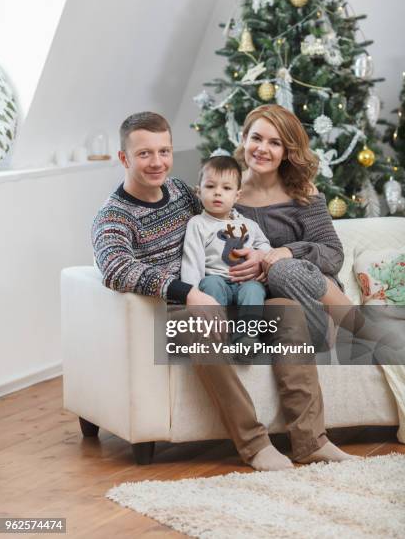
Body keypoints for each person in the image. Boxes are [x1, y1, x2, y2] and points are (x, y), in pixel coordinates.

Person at [92, 110, 353, 471]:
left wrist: (256, 263)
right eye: (144, 154)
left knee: (285, 310)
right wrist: (188, 292)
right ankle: (255, 445)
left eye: (164, 151)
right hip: (173, 307)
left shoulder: (182, 193)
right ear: (124, 158)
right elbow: (116, 268)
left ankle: (311, 441)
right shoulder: (113, 216)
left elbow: (223, 221)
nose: (157, 163)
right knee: (200, 325)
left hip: (222, 294)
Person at [180, 155, 271, 361]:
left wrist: (261, 256)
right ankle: (215, 335)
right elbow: (192, 261)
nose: (218, 192)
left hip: (244, 281)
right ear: (199, 191)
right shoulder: (198, 224)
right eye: (210, 186)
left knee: (254, 290)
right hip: (216, 280)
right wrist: (191, 293)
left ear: (237, 195)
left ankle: (246, 338)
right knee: (211, 284)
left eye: (226, 188)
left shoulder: (249, 225)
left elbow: (265, 247)